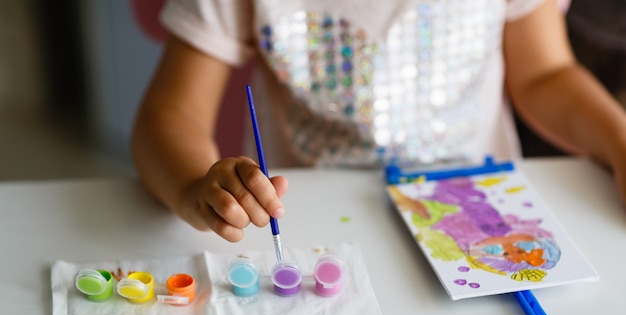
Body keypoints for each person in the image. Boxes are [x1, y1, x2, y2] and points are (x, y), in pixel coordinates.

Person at [132, 0, 626, 243]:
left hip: (481, 217)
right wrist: (195, 188)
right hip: (309, 229)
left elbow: (546, 74)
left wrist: (618, 140)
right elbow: (171, 113)